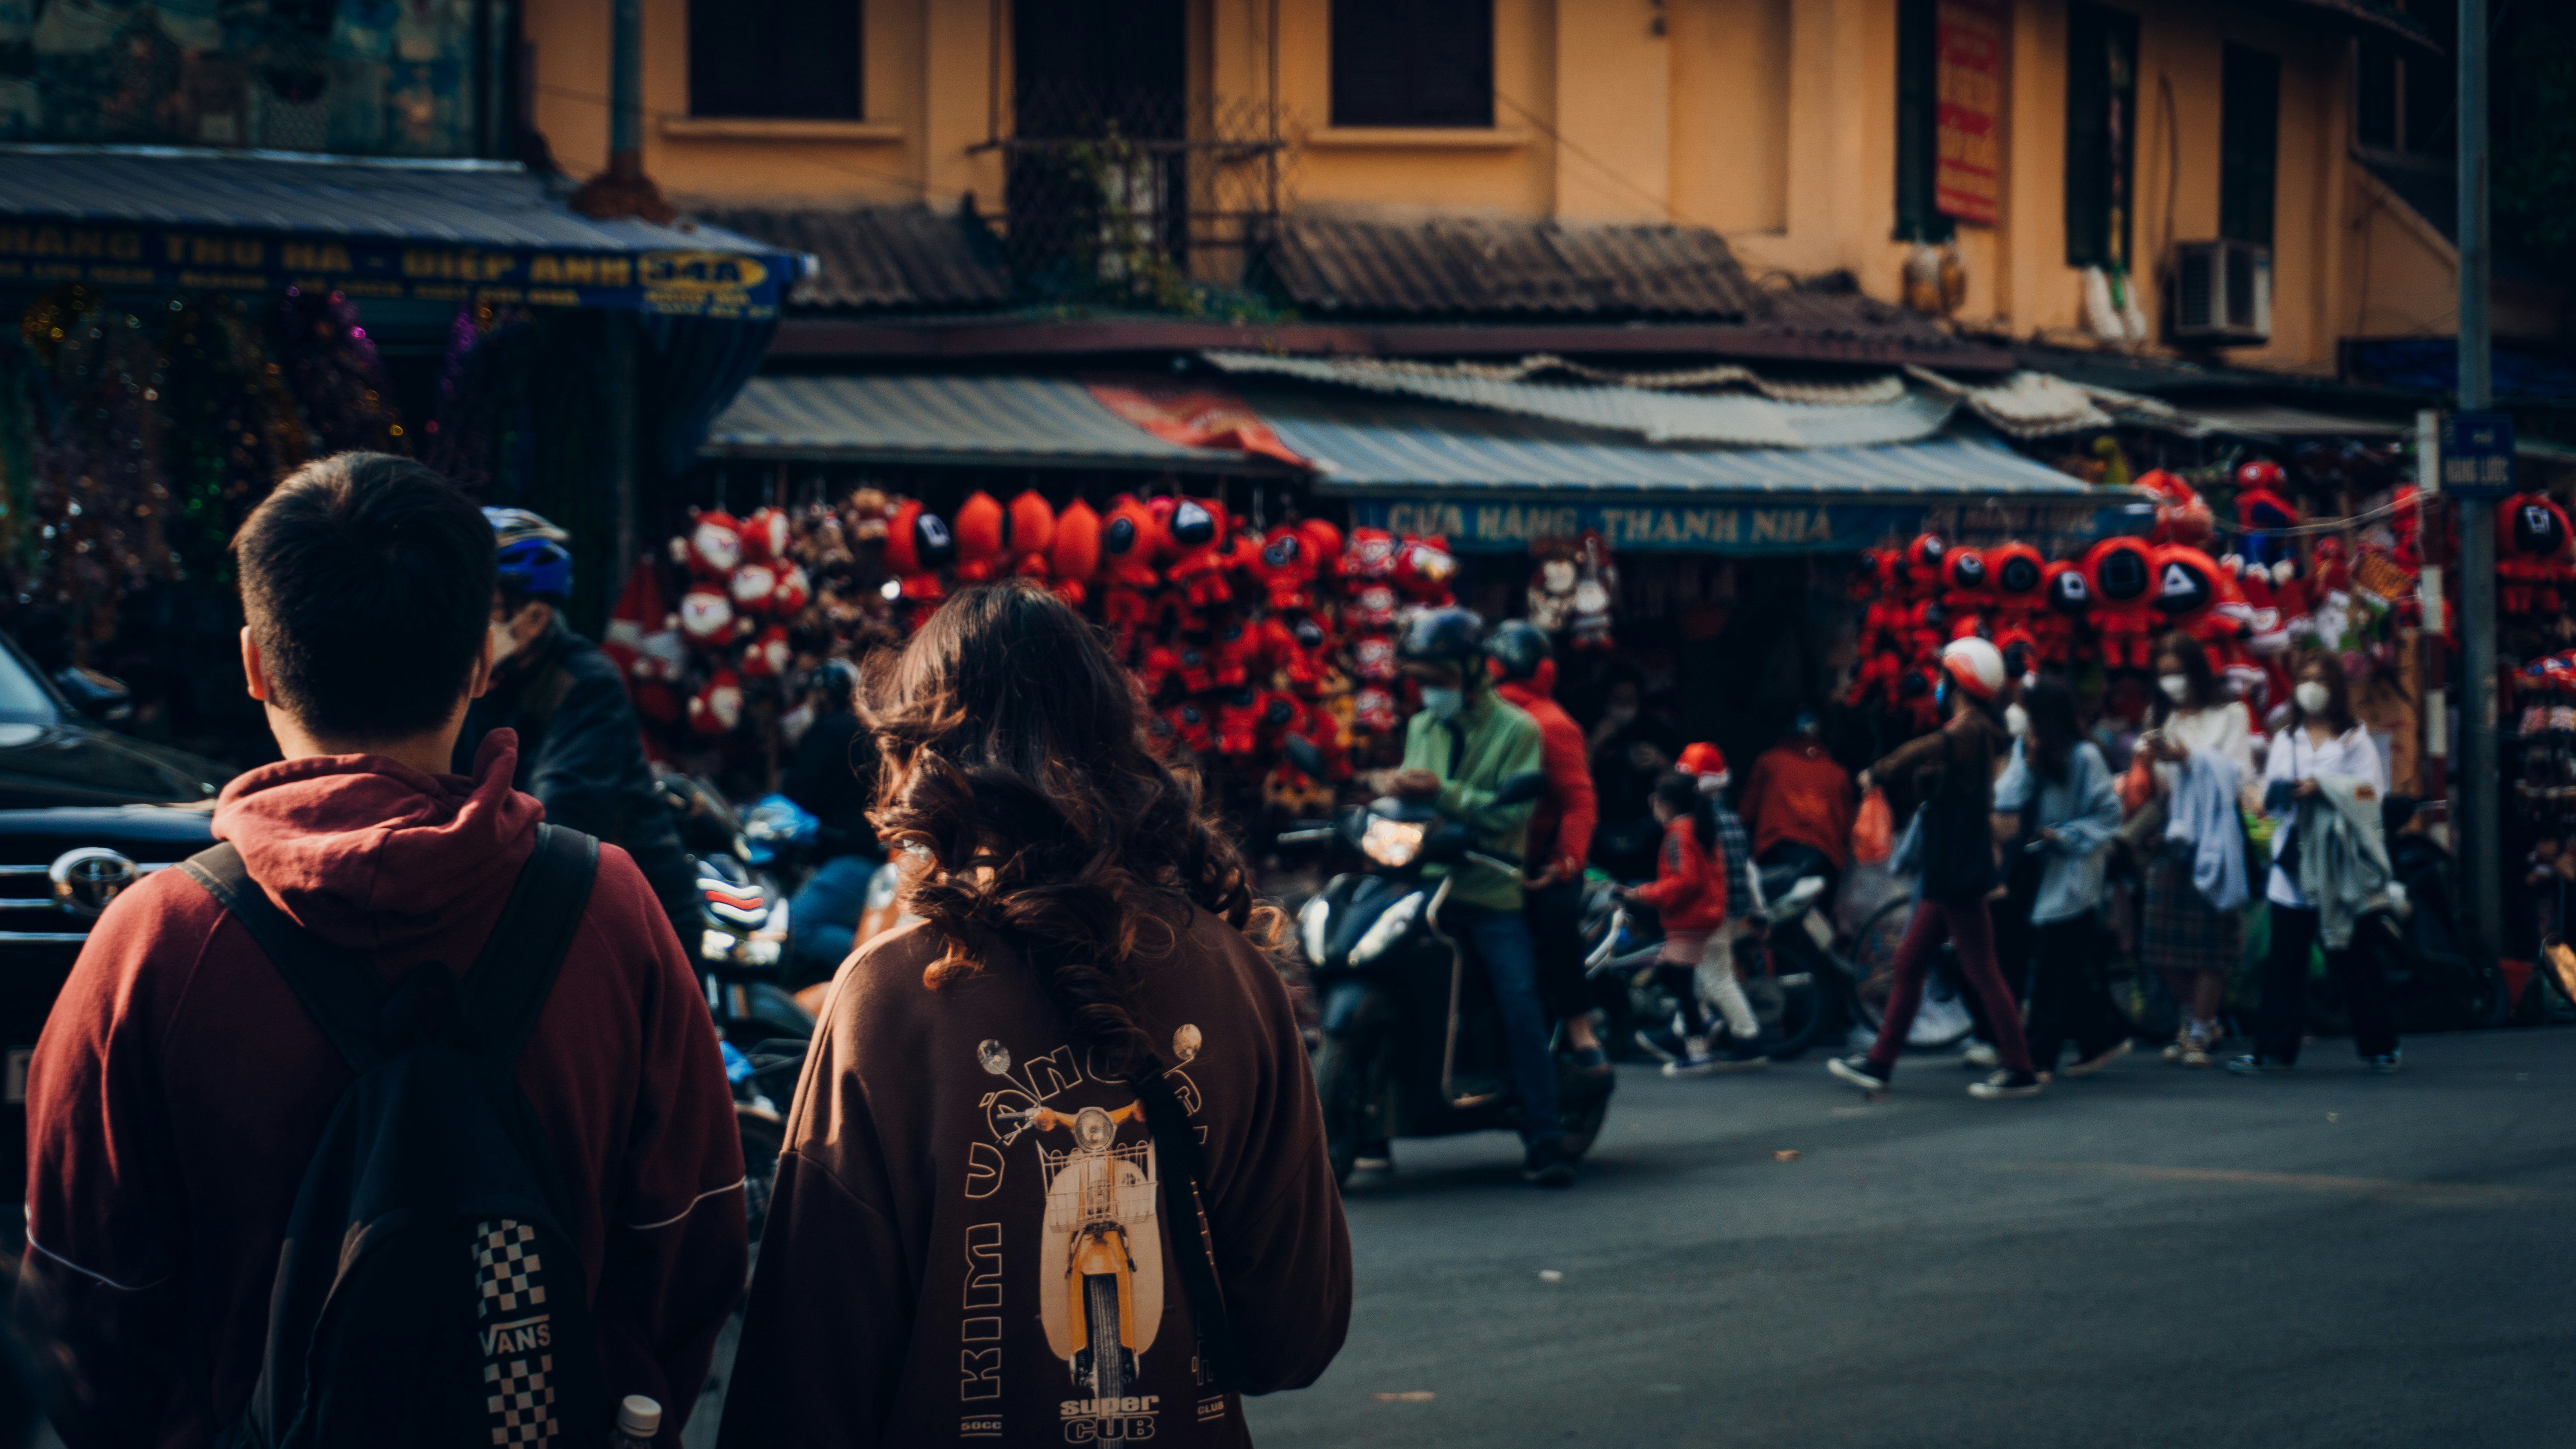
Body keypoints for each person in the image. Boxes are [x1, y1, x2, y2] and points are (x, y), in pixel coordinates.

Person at [21, 454, 746, 1447]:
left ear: (255, 664)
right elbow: (692, 1245)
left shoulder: (156, 941)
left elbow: (82, 1296)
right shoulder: (610, 908)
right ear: (480, 664)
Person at [718, 582, 1351, 1447]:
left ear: (921, 755)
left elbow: (805, 1376)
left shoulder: (890, 993)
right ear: (1113, 739)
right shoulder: (1236, 976)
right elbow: (1294, 1335)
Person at [1376, 607, 1570, 1184]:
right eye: (1422, 680)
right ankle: (1369, 1125)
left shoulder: (1518, 731)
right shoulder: (1420, 728)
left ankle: (1545, 1136)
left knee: (1519, 1002)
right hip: (1424, 887)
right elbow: (1415, 804)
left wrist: (1445, 794)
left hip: (1490, 891)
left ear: (1470, 669)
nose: (1429, 691)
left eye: (1438, 678)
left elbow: (1510, 812)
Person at [460, 507, 707, 949]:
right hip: (552, 894)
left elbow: (562, 807)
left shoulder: (586, 681)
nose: (473, 623)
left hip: (646, 920)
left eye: (491, 607)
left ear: (534, 614)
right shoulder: (478, 682)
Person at [1829, 637, 2043, 1100]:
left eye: (1944, 678)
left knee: (1981, 970)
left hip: (1957, 871)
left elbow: (1924, 749)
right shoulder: (1977, 730)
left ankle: (2019, 1067)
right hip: (1951, 868)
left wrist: (1879, 771)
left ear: (1959, 682)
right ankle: (1880, 1064)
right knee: (1912, 964)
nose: (1937, 688)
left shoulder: (1969, 731)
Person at [2232, 651, 2399, 1076]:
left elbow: (2370, 796)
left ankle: (2380, 1045)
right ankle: (2273, 1050)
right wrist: (2273, 796)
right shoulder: (2286, 739)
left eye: (2319, 678)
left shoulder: (2355, 739)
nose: (2311, 686)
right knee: (2286, 959)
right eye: (2304, 678)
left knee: (2356, 955)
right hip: (2293, 862)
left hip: (2338, 862)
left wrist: (2324, 787)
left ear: (2335, 686)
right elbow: (2270, 796)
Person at [2130, 633, 2257, 1066]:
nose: (2172, 682)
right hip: (2174, 835)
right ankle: (2196, 1017)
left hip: (2217, 835)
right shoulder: (2159, 717)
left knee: (2210, 942)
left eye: (2178, 672)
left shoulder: (2230, 715)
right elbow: (2160, 787)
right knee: (2161, 943)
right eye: (2163, 673)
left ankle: (2200, 1028)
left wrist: (2190, 758)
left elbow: (2239, 773)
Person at [1994, 676, 2129, 1078]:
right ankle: (2100, 1038)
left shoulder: (2086, 756)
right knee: (2063, 966)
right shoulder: (2028, 749)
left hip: (2074, 870)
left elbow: (2108, 815)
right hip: (2040, 870)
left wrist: (2066, 835)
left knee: (2054, 965)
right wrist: (2029, 765)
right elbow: (2007, 797)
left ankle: (2040, 1054)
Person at [1487, 619, 1607, 1070]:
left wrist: (1563, 862)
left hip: (1537, 862)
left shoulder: (1550, 724)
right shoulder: (1468, 718)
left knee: (1556, 921)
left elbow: (1578, 801)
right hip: (1481, 853)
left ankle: (1580, 1026)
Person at [1625, 767, 1765, 1075]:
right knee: (1693, 983)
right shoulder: (1699, 827)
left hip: (1693, 922)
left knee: (1697, 983)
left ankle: (1736, 1041)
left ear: (1666, 804)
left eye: (1654, 799)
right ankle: (1704, 1038)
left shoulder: (1678, 835)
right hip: (1709, 917)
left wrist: (1641, 894)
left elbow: (1684, 882)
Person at [781, 658, 883, 985]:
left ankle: (879, 970)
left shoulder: (831, 730)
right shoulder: (869, 730)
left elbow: (798, 792)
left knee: (793, 927)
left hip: (852, 854)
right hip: (872, 854)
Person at [1738, 712, 1856, 896]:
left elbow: (1747, 813)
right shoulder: (1838, 774)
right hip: (1825, 857)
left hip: (1778, 848)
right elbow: (1845, 828)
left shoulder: (1770, 761)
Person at [1585, 662, 1683, 882]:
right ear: (1606, 700)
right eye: (1617, 700)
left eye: (1630, 701)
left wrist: (1661, 762)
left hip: (1647, 827)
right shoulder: (1592, 727)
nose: (1624, 707)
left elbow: (1682, 776)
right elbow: (1575, 777)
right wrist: (1594, 744)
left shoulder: (1657, 729)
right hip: (1601, 824)